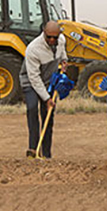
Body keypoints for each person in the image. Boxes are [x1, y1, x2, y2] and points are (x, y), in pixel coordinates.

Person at [21, 20, 67, 158]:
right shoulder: (33, 49)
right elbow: (34, 78)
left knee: (48, 115)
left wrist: (64, 61)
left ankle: (46, 153)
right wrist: (46, 98)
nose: (52, 40)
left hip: (49, 82)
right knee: (32, 108)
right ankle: (33, 149)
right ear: (44, 33)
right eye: (49, 37)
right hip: (30, 82)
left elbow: (62, 53)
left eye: (55, 37)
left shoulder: (62, 41)